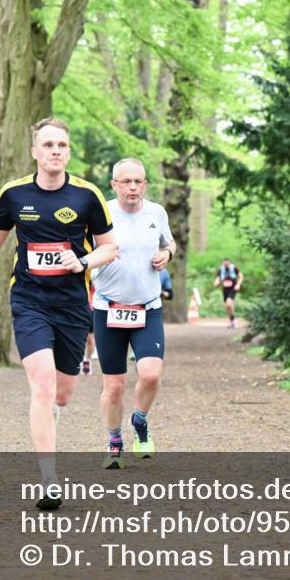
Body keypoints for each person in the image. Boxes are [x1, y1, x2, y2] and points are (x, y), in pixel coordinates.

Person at [0, 117, 117, 510]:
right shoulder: (14, 193)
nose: (55, 151)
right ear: (35, 151)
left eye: (62, 145)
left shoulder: (87, 196)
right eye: (48, 144)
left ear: (68, 152)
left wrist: (82, 261)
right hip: (29, 302)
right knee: (41, 387)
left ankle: (53, 416)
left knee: (63, 395)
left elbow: (110, 248)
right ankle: (49, 479)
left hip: (71, 306)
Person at [91, 158, 176, 469]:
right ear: (113, 185)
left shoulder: (157, 213)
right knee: (114, 386)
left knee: (151, 375)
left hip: (147, 308)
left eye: (137, 181)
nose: (132, 187)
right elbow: (86, 252)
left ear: (144, 184)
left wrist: (166, 254)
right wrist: (97, 259)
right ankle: (114, 441)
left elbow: (171, 243)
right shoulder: (102, 215)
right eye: (125, 181)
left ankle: (140, 421)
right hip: (108, 309)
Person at [213, 259, 242, 328]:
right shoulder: (220, 270)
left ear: (229, 263)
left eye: (227, 264)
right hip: (225, 290)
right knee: (227, 306)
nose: (226, 265)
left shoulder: (234, 268)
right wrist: (216, 282)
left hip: (233, 289)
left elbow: (241, 276)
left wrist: (238, 284)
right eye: (224, 264)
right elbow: (218, 278)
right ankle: (232, 321)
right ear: (222, 264)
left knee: (229, 304)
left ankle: (233, 320)